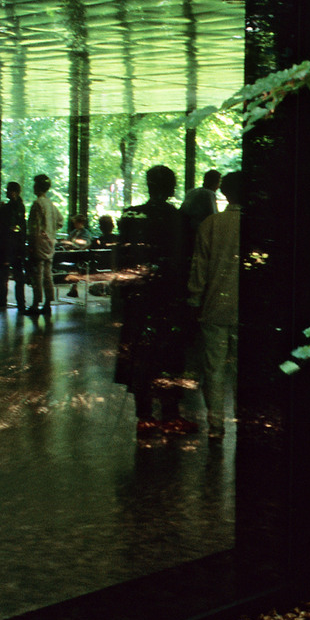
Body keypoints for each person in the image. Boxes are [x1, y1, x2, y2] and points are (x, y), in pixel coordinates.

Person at [117, 165, 193, 430]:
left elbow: (123, 258)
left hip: (139, 297)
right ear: (171, 188)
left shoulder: (131, 216)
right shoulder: (178, 218)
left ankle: (144, 416)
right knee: (168, 354)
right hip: (168, 299)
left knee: (140, 353)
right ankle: (170, 414)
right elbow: (184, 261)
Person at [188, 171, 242, 437]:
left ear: (224, 193)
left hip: (214, 307)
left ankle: (216, 425)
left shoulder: (210, 224)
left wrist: (194, 298)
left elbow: (199, 267)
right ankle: (244, 421)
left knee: (214, 369)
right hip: (246, 310)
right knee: (244, 370)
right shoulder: (260, 225)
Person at [26, 174, 63, 317]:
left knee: (38, 275)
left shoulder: (37, 204)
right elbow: (60, 221)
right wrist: (51, 232)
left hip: (39, 243)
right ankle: (48, 303)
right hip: (50, 243)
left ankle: (36, 304)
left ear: (38, 187)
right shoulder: (51, 204)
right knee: (48, 274)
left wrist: (32, 242)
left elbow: (33, 227)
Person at [0, 179, 27, 313]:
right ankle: (20, 302)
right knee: (16, 274)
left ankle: (3, 299)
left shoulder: (8, 208)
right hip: (16, 245)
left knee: (4, 274)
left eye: (9, 190)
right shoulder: (19, 207)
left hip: (7, 245)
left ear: (13, 192)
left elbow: (0, 224)